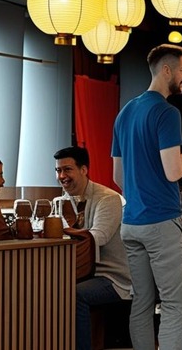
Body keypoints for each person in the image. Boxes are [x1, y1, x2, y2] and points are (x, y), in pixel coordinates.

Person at [111, 44, 182, 350]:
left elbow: (118, 177)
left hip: (131, 223)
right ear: (167, 70)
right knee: (175, 305)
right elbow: (174, 172)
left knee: (142, 304)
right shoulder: (166, 112)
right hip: (163, 222)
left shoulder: (125, 113)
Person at [53, 146, 132, 350]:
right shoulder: (59, 202)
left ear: (84, 170)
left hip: (113, 277)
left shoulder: (108, 198)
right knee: (45, 291)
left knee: (74, 295)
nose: (62, 176)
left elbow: (98, 237)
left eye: (67, 169)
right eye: (58, 170)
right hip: (79, 273)